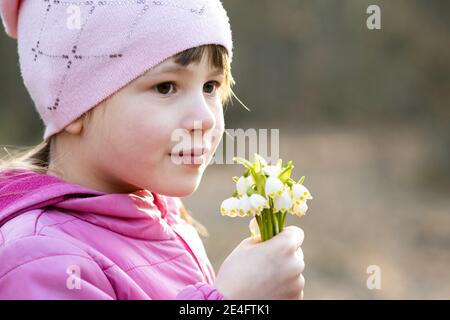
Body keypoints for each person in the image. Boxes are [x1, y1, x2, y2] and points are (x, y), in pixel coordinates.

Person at [0, 0, 305, 299]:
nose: (205, 118)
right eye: (166, 87)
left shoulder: (165, 218)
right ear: (74, 109)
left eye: (210, 86)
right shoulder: (39, 261)